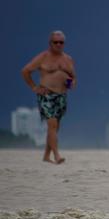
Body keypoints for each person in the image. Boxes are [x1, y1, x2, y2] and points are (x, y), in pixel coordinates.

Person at [21, 31, 75, 164]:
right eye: (55, 42)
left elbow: (73, 79)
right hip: (46, 95)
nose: (58, 44)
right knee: (52, 125)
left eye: (61, 42)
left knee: (55, 128)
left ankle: (46, 156)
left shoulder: (68, 59)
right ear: (50, 43)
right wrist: (34, 87)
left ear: (64, 43)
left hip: (61, 96)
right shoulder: (43, 57)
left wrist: (68, 82)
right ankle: (57, 155)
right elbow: (25, 71)